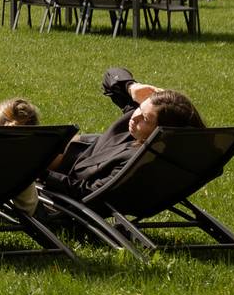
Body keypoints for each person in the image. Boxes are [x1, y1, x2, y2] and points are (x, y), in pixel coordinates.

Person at [46, 67, 204, 198]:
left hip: (64, 171)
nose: (135, 117)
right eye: (140, 108)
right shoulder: (144, 133)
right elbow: (111, 74)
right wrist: (131, 87)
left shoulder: (136, 162)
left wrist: (40, 174)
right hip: (78, 150)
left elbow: (87, 192)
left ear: (164, 133)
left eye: (146, 119)